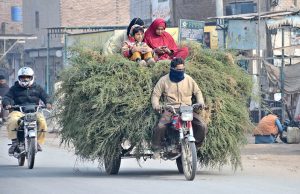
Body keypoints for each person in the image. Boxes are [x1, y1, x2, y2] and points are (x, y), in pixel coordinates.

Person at [151, 57, 207, 148]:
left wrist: (200, 102)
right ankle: (157, 148)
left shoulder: (189, 79)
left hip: (187, 109)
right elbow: (155, 95)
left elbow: (197, 92)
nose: (181, 71)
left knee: (202, 125)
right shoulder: (164, 80)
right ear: (172, 69)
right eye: (178, 70)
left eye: (182, 69)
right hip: (170, 109)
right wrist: (156, 105)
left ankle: (195, 147)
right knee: (160, 127)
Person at [3, 67, 52, 155]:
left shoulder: (38, 88)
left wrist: (48, 103)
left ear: (32, 77)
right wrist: (7, 104)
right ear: (19, 78)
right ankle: (14, 143)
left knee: (42, 122)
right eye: (22, 77)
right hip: (18, 111)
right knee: (12, 120)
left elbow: (46, 96)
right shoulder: (14, 88)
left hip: (34, 111)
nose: (25, 79)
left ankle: (37, 142)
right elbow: (7, 97)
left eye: (27, 77)